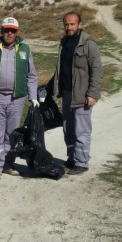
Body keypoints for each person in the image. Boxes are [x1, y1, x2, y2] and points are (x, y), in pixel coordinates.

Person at [0, 17, 38, 179]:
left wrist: (33, 97)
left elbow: (31, 75)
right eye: (7, 30)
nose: (9, 33)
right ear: (1, 31)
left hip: (17, 99)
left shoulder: (24, 49)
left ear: (17, 32)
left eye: (13, 31)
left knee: (12, 133)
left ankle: (8, 164)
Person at [52, 11, 103, 175]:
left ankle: (82, 162)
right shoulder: (64, 42)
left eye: (72, 24)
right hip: (67, 93)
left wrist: (93, 94)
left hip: (82, 94)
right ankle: (72, 158)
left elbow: (97, 71)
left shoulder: (88, 44)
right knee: (68, 128)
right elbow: (62, 68)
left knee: (81, 130)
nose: (69, 27)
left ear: (80, 25)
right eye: (66, 24)